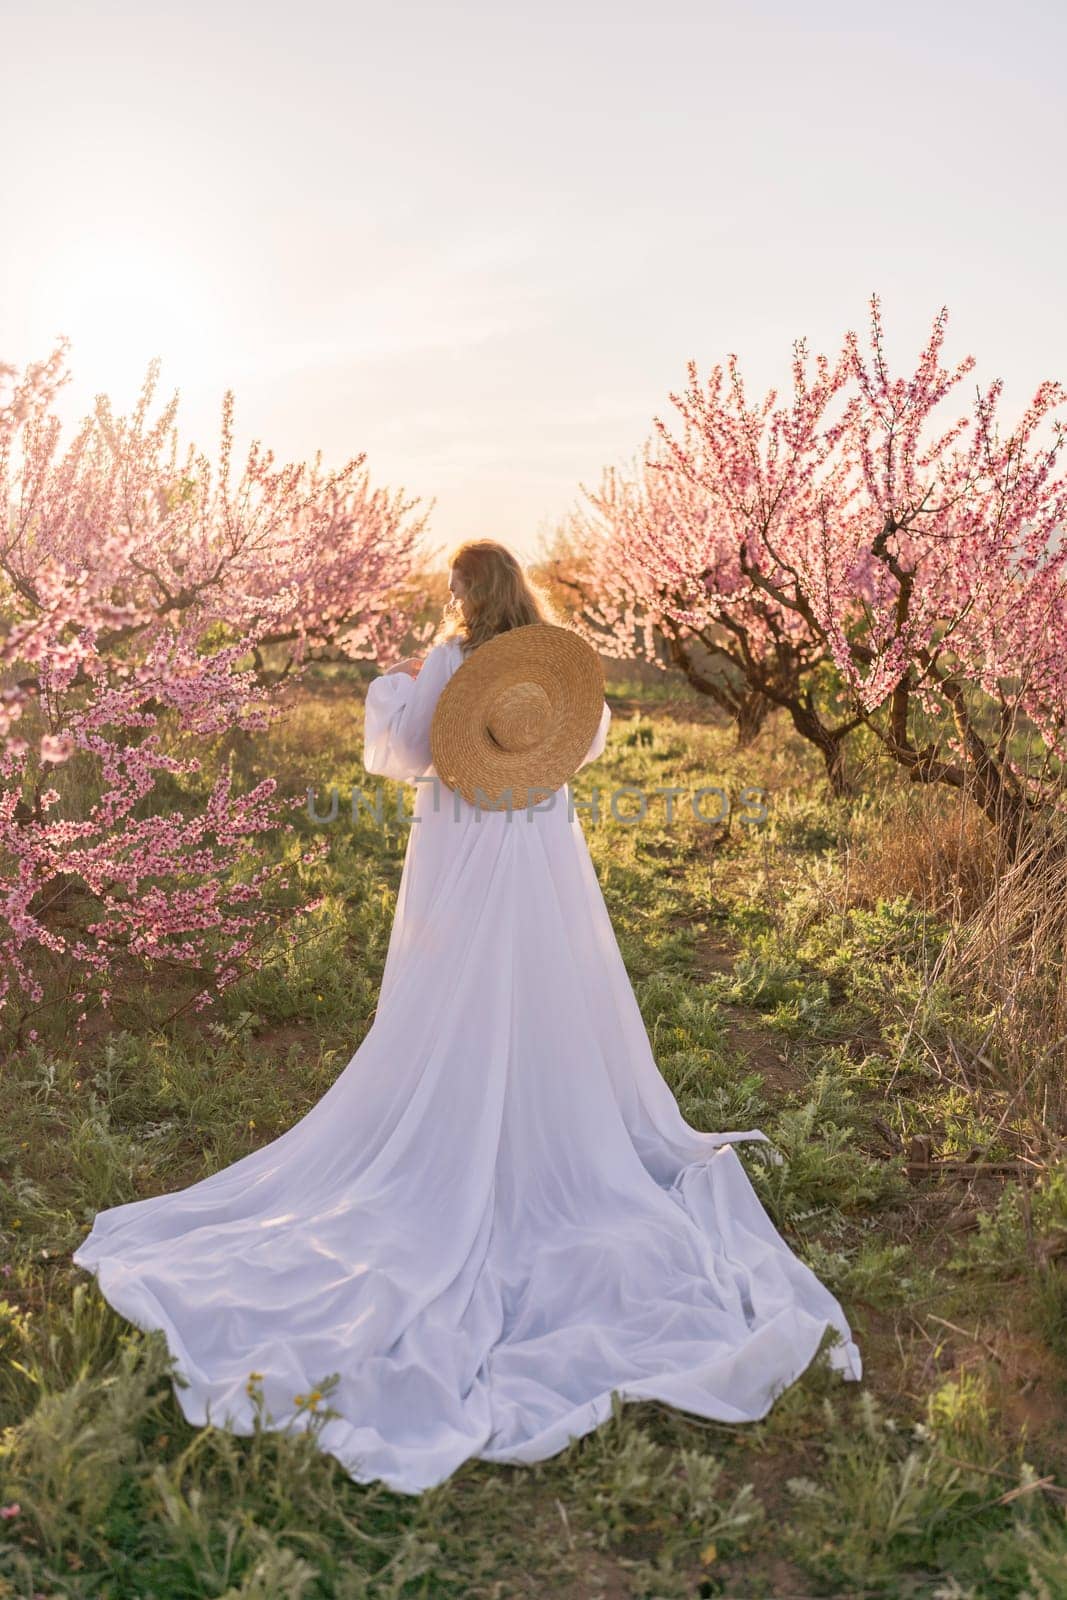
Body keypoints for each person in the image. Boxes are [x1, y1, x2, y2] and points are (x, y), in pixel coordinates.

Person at [72, 539, 861, 1497]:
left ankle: (462, 1108)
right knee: (541, 984)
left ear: (463, 593)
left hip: (459, 852)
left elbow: (404, 754)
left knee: (457, 988)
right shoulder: (549, 658)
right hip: (539, 857)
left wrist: (386, 686)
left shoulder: (450, 662)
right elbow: (590, 738)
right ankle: (542, 1103)